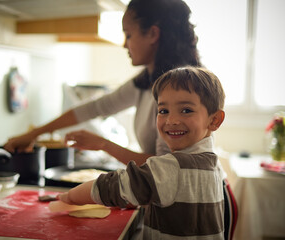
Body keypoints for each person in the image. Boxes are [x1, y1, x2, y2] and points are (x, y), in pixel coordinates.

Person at [4, 0, 236, 238]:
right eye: (162, 111)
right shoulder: (147, 81)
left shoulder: (179, 87)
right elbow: (95, 107)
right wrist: (33, 134)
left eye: (128, 34)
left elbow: (163, 165)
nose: (125, 44)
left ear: (153, 34)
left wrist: (103, 146)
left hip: (196, 199)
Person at [58, 66, 226, 239]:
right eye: (163, 111)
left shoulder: (169, 167)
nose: (172, 120)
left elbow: (111, 187)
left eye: (186, 110)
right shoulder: (212, 163)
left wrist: (70, 196)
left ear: (214, 120)